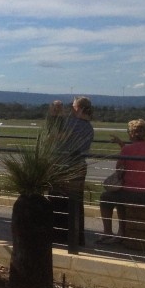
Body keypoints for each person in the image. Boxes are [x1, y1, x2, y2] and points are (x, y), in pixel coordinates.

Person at [97, 119, 145, 244]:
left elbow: (119, 169)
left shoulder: (127, 150)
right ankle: (122, 232)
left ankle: (108, 231)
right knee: (121, 198)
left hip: (135, 193)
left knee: (106, 198)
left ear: (131, 133)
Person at [48, 96, 94, 246]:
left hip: (62, 165)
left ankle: (58, 235)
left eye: (73, 106)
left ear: (79, 108)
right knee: (76, 202)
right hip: (79, 166)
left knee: (58, 200)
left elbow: (53, 135)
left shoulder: (70, 123)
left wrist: (56, 113)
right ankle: (76, 237)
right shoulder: (89, 127)